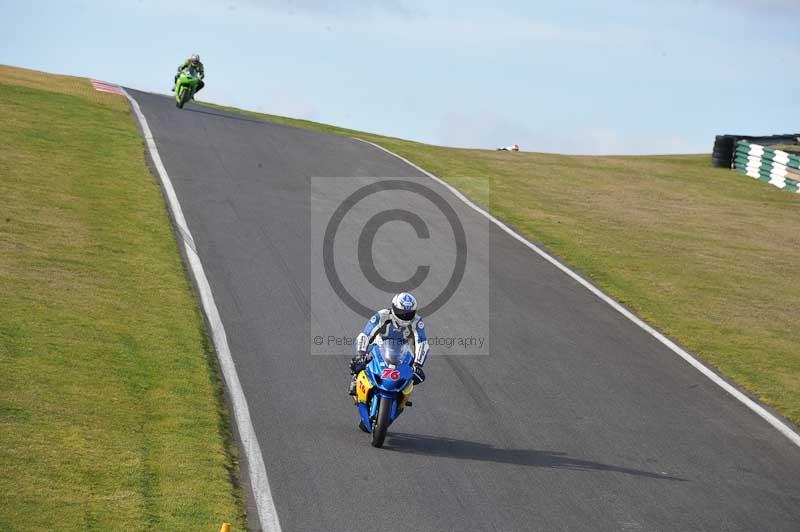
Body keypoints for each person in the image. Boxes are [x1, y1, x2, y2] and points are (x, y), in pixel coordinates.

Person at [349, 292, 429, 395]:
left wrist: (418, 365)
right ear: (394, 308)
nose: (404, 316)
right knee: (361, 361)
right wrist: (361, 353)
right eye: (401, 312)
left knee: (413, 370)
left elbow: (422, 342)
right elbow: (366, 334)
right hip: (379, 345)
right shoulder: (382, 315)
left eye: (409, 314)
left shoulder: (417, 321)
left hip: (403, 349)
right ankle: (356, 379)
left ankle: (403, 391)